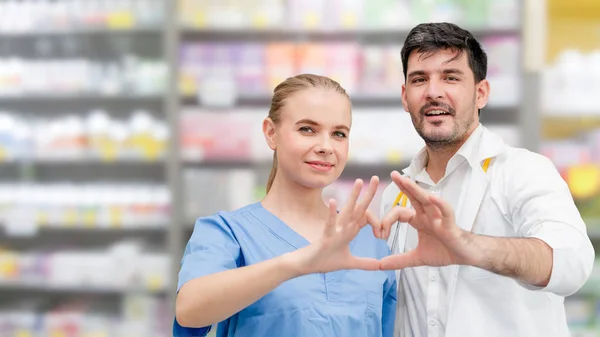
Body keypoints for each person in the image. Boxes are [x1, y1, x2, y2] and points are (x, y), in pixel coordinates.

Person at [377, 22, 595, 337]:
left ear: (481, 93)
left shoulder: (524, 171)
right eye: (419, 79)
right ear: (404, 96)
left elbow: (572, 262)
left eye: (450, 77)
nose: (433, 92)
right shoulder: (395, 198)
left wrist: (469, 246)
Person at [173, 74, 397, 337]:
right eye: (307, 129)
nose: (326, 146)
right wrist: (296, 263)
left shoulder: (370, 243)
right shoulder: (227, 232)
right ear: (271, 133)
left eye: (338, 133)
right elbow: (189, 310)